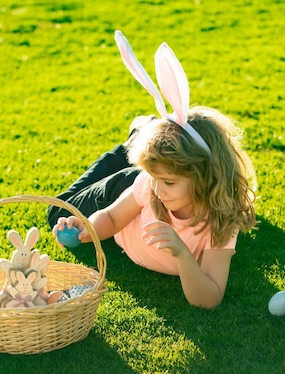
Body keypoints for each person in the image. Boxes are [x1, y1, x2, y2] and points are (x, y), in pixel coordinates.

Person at [47, 31, 256, 309]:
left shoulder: (219, 222)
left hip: (143, 174)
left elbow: (209, 298)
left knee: (145, 168)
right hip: (126, 186)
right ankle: (136, 140)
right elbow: (110, 217)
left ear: (205, 177)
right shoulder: (151, 185)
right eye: (159, 180)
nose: (159, 189)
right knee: (58, 213)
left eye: (169, 182)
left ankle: (143, 135)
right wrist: (86, 227)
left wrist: (182, 254)